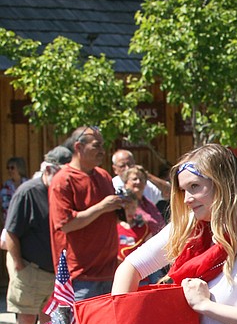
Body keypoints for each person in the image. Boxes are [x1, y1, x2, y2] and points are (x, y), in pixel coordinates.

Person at [112, 144, 237, 324]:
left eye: (195, 186)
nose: (186, 199)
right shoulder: (186, 231)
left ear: (223, 185)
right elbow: (130, 267)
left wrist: (205, 305)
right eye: (184, 190)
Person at [3, 146, 72, 324]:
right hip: (31, 269)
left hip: (54, 272)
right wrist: (19, 265)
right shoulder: (28, 192)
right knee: (26, 321)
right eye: (63, 174)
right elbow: (11, 232)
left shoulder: (62, 192)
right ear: (50, 169)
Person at [48, 125, 126, 299]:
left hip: (110, 272)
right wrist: (101, 207)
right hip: (80, 277)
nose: (102, 151)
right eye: (96, 145)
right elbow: (66, 225)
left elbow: (112, 218)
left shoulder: (104, 175)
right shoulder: (63, 180)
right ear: (78, 147)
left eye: (102, 146)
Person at [115, 164, 165, 260]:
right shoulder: (121, 204)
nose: (138, 182)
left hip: (156, 253)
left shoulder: (148, 203)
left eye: (142, 179)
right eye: (134, 179)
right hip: (131, 253)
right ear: (126, 183)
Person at [2, 156, 29, 221]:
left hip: (25, 220)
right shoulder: (6, 185)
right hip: (9, 220)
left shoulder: (28, 184)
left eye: (12, 168)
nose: (9, 170)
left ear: (19, 168)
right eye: (8, 168)